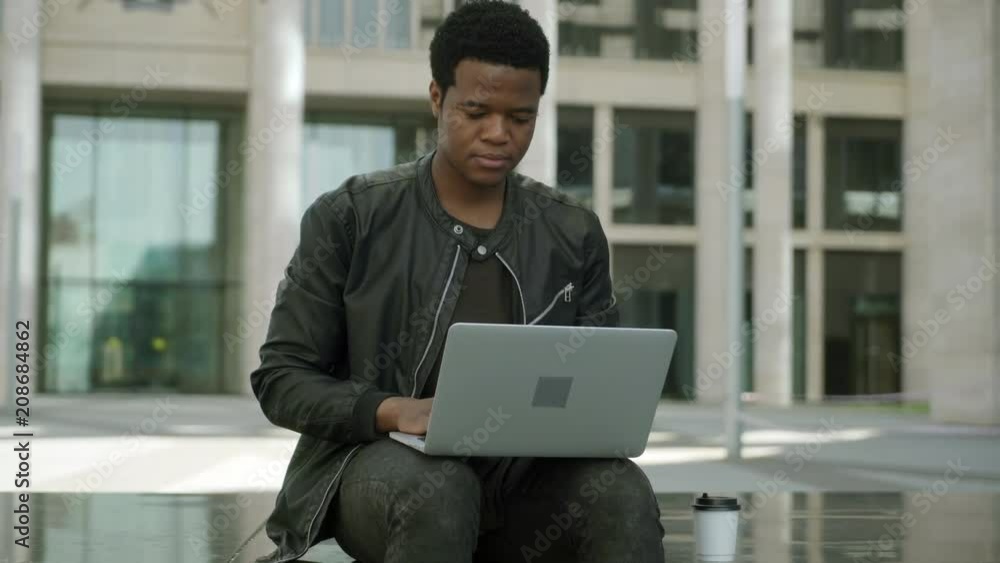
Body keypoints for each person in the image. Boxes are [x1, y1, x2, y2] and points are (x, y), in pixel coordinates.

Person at [250, 1, 665, 562]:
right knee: (440, 486)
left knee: (621, 491)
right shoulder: (352, 216)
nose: (499, 134)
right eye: (476, 112)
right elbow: (281, 379)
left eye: (520, 118)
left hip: (522, 483)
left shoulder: (573, 232)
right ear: (437, 99)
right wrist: (393, 410)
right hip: (379, 469)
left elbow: (600, 387)